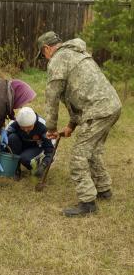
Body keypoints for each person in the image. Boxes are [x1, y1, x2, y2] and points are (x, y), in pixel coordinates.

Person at [36, 31, 122, 217]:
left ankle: (87, 203)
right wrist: (71, 126)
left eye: (43, 55)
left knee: (78, 156)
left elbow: (52, 96)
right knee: (92, 150)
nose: (45, 58)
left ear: (47, 49)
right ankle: (104, 190)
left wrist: (50, 127)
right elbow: (77, 96)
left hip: (97, 110)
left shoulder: (58, 60)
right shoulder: (78, 53)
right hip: (111, 106)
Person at [4, 107, 54, 179]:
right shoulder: (13, 124)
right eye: (23, 127)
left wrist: (44, 164)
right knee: (12, 137)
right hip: (20, 145)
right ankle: (16, 168)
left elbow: (51, 150)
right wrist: (2, 153)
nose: (26, 130)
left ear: (34, 122)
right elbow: (4, 141)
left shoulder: (43, 126)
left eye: (29, 127)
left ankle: (36, 164)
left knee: (24, 158)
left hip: (36, 147)